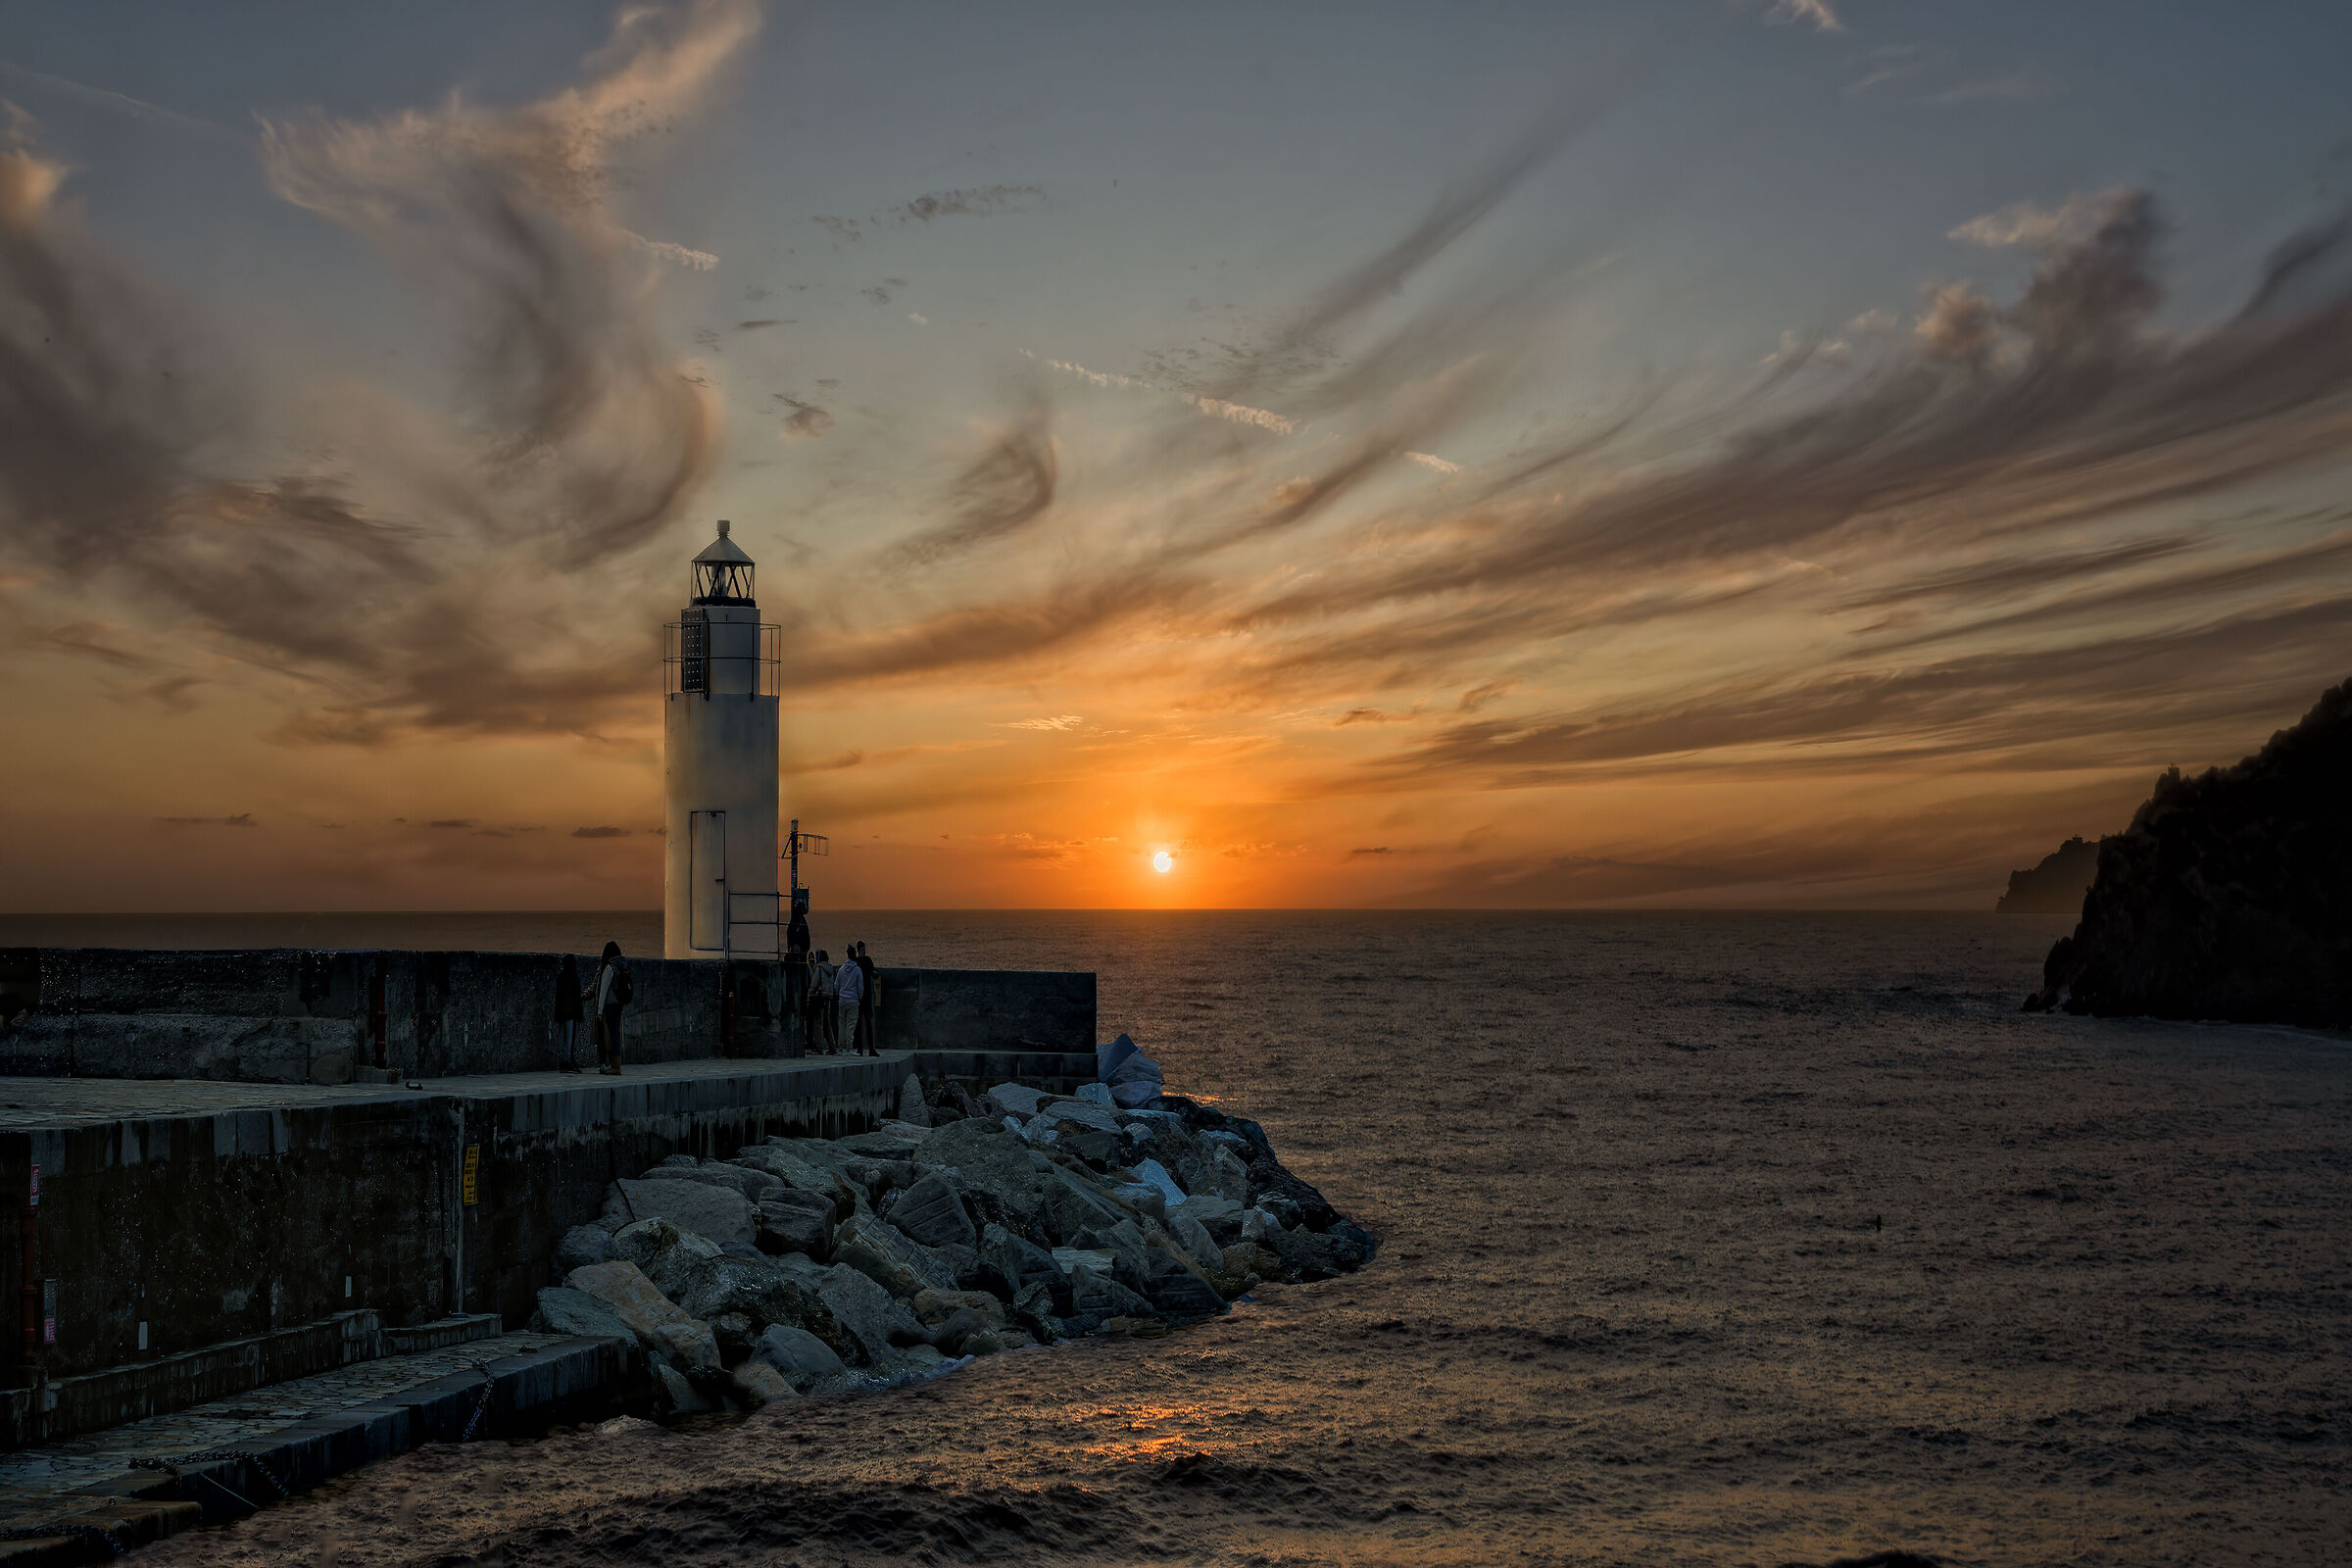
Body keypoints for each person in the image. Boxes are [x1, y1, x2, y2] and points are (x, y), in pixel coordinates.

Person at [587, 940, 631, 1075]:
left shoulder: (609, 967)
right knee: (615, 1034)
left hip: (610, 1005)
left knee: (612, 1035)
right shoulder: (622, 966)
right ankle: (616, 1065)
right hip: (619, 1004)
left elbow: (603, 990)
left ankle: (615, 1067)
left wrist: (599, 1011)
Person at [784, 906, 810, 1048]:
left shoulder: (795, 923)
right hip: (798, 962)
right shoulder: (801, 923)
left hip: (798, 962)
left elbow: (792, 937)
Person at [554, 953, 584, 1072]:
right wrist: (580, 1014)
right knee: (569, 1039)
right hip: (571, 1012)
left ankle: (562, 1061)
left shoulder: (561, 977)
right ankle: (569, 1061)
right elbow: (577, 999)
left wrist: (557, 1013)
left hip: (561, 1012)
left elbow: (558, 997)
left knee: (561, 1037)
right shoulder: (574, 978)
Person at [833, 942, 863, 1059]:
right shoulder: (857, 970)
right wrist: (860, 997)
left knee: (841, 1024)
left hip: (842, 1000)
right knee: (851, 1025)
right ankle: (849, 1048)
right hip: (853, 1000)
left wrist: (839, 995)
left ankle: (840, 1047)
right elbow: (860, 987)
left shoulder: (841, 970)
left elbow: (836, 985)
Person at [853, 940, 879, 1055]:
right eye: (863, 948)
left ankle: (870, 1049)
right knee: (859, 1023)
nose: (864, 950)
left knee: (867, 1022)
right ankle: (861, 1049)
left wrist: (875, 974)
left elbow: (873, 973)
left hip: (865, 995)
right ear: (860, 949)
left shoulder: (864, 960)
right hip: (861, 995)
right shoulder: (859, 961)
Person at [809, 950, 839, 1053]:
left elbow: (814, 984)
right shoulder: (831, 969)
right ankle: (832, 1047)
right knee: (827, 1023)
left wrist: (809, 995)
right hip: (828, 998)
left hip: (820, 997)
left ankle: (819, 1047)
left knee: (819, 1023)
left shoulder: (819, 968)